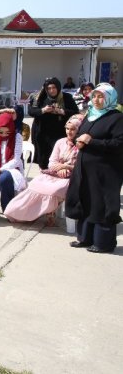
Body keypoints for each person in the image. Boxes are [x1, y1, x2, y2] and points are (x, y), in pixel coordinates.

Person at [65, 83, 123, 253]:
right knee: (86, 200)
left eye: (101, 96)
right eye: (95, 96)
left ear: (110, 98)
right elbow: (81, 134)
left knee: (101, 203)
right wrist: (79, 140)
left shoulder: (117, 117)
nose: (97, 100)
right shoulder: (90, 114)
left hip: (105, 171)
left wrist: (92, 142)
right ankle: (84, 238)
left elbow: (119, 143)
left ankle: (103, 243)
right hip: (85, 168)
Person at [4, 115, 83, 225]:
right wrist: (59, 168)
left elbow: (83, 166)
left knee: (55, 190)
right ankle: (20, 213)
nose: (69, 132)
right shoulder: (61, 142)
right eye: (67, 128)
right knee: (34, 184)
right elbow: (51, 162)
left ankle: (50, 210)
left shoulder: (82, 145)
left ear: (80, 130)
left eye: (73, 129)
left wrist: (66, 167)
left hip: (72, 178)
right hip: (54, 173)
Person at [29, 77, 79, 169]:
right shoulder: (39, 97)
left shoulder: (66, 97)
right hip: (43, 133)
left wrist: (61, 111)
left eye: (54, 88)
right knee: (43, 159)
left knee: (58, 157)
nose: (52, 90)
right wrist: (43, 110)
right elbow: (31, 111)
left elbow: (75, 112)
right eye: (49, 88)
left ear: (58, 87)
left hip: (60, 133)